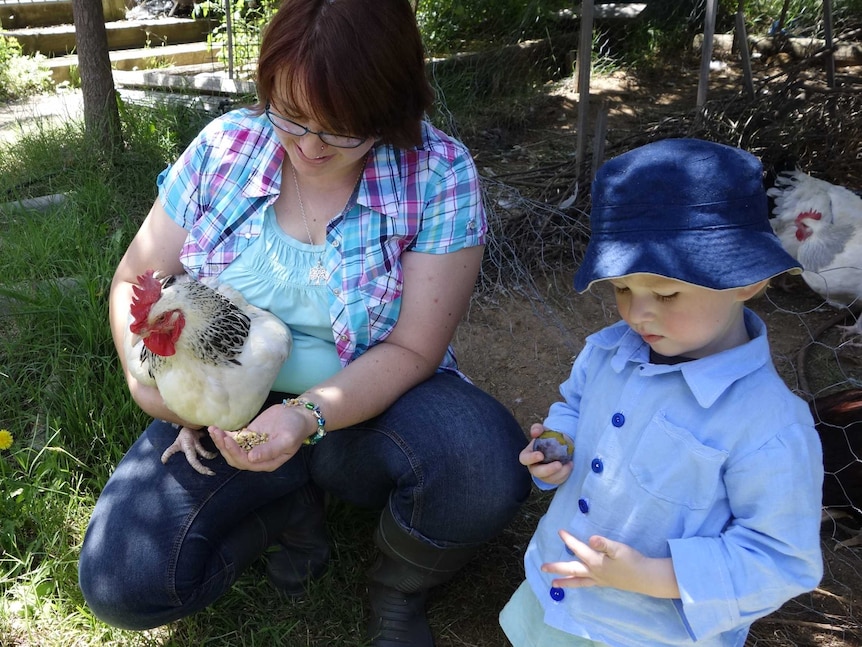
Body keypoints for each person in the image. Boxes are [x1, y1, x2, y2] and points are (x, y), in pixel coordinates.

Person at [78, 1, 531, 645]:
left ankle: (398, 590)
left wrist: (304, 416)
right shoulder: (225, 147)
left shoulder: (437, 172)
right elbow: (135, 278)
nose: (311, 147)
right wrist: (143, 379)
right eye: (290, 117)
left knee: (483, 467)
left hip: (371, 399)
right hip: (221, 403)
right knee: (122, 585)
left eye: (343, 129)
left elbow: (413, 346)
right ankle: (287, 507)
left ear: (391, 109)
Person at [500, 138, 824, 646]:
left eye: (666, 293)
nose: (636, 313)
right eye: (623, 288)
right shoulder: (608, 351)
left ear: (745, 281)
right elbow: (576, 405)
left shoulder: (770, 427)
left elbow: (781, 558)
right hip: (554, 588)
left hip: (646, 632)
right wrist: (560, 444)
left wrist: (655, 577)